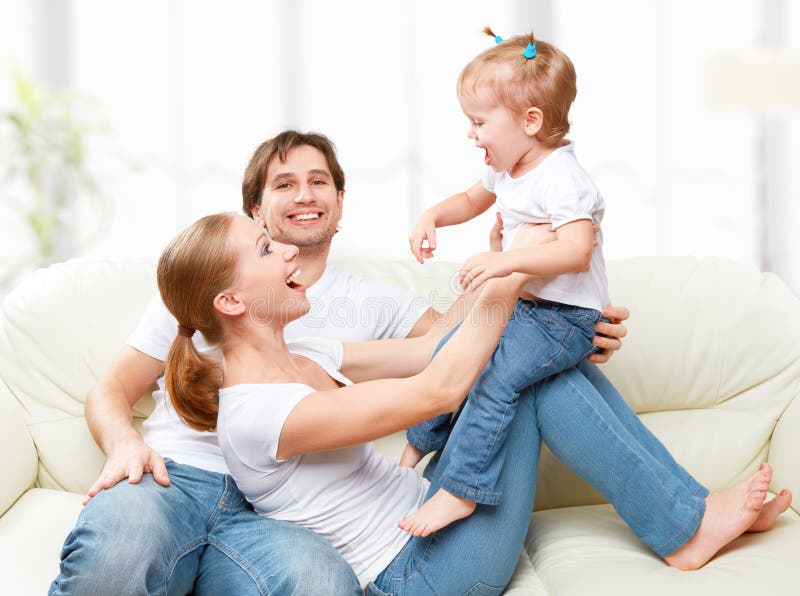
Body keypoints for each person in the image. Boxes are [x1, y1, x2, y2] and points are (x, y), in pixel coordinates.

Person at [47, 128, 632, 594]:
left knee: (320, 581)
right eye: (284, 185)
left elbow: (449, 349)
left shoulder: (330, 323)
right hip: (176, 476)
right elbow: (440, 385)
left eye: (318, 180)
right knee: (121, 551)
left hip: (276, 516)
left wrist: (560, 321)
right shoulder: (199, 294)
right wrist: (126, 444)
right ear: (256, 210)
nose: (304, 195)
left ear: (340, 198)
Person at [158, 211, 790, 595]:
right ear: (231, 303)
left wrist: (511, 272)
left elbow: (438, 349)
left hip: (430, 512)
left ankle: (689, 516)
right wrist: (516, 279)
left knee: (534, 360)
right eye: (267, 251)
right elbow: (438, 390)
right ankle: (685, 527)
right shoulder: (257, 416)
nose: (290, 250)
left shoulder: (309, 350)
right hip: (420, 576)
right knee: (527, 367)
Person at [402, 28, 616, 535]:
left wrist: (505, 264)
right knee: (455, 350)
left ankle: (460, 490)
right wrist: (432, 214)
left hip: (566, 319)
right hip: (531, 307)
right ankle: (414, 448)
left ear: (531, 121)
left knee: (495, 379)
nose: (472, 134)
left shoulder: (562, 177)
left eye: (479, 122)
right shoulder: (507, 168)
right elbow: (472, 201)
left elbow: (578, 250)